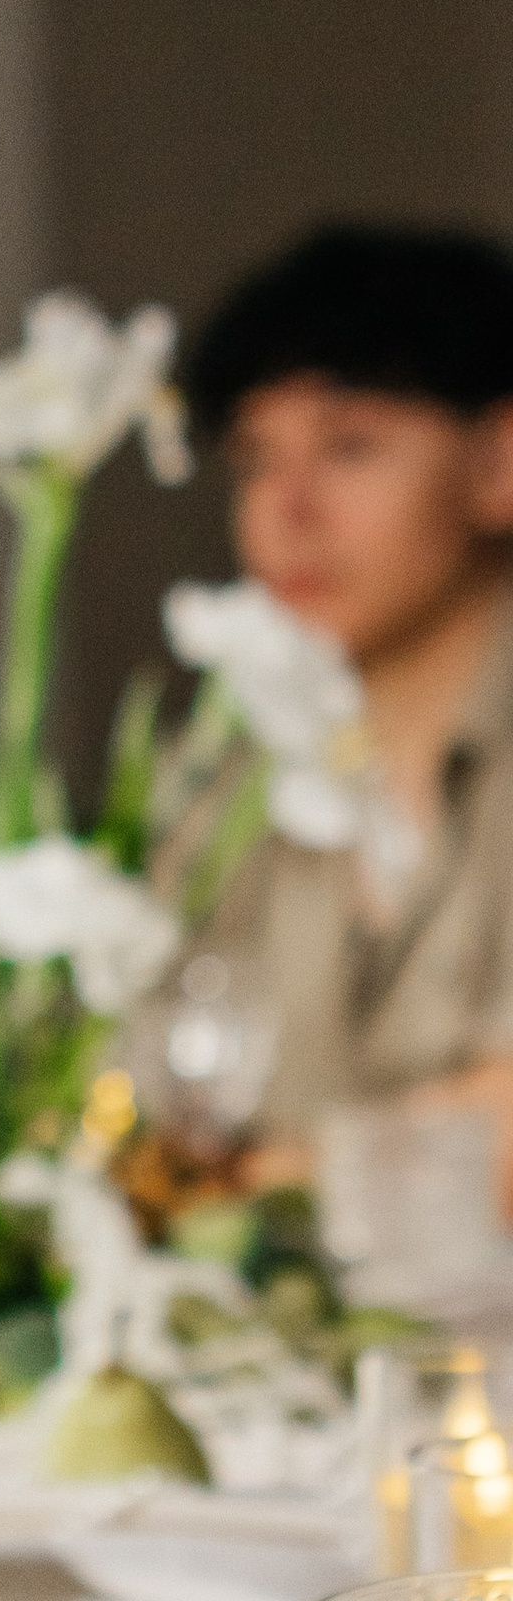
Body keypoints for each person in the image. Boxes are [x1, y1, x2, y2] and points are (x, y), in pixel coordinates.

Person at [170, 221, 513, 1194]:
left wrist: (281, 1172)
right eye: (251, 459)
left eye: (350, 447)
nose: (287, 508)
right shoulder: (225, 775)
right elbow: (137, 1103)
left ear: (498, 461)